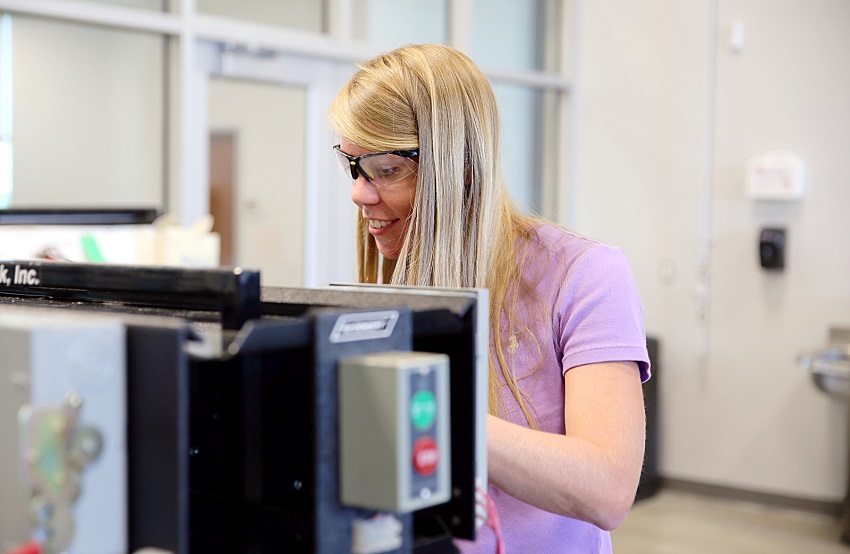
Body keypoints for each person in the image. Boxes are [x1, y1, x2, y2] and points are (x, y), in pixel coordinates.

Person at [328, 43, 650, 554]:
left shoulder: (586, 276)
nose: (359, 194)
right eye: (352, 166)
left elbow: (606, 490)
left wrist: (426, 407)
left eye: (385, 169)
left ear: (461, 168)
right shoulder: (391, 284)